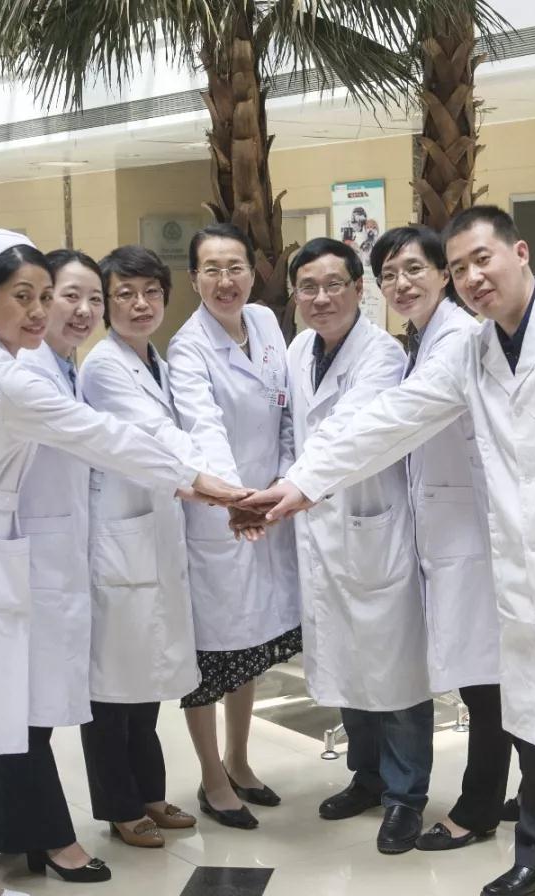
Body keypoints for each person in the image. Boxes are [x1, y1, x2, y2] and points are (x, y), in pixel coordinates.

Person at [240, 206, 535, 896]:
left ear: (520, 253)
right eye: (459, 268)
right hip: (522, 563)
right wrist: (302, 484)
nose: (473, 277)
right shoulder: (474, 352)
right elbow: (393, 419)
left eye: (482, 259)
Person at [0, 229, 245, 896]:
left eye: (46, 296)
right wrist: (199, 481)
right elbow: (101, 435)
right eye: (24, 297)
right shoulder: (5, 376)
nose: (39, 312)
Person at [282, 237, 433, 855]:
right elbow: (294, 429)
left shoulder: (382, 355)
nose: (321, 298)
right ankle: (366, 777)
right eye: (308, 287)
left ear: (358, 290)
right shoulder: (298, 350)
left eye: (333, 285)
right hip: (320, 524)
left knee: (393, 669)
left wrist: (292, 486)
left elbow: (349, 432)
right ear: (294, 295)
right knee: (346, 660)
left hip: (373, 525)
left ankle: (406, 796)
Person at [0, 249, 111, 883]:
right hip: (22, 558)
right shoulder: (26, 373)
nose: (79, 310)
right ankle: (51, 838)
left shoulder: (61, 367)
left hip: (44, 555)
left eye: (91, 298)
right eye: (64, 296)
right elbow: (105, 442)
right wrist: (199, 482)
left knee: (21, 702)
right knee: (26, 706)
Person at [368, 225, 513, 852]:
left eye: (413, 269)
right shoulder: (424, 339)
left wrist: (304, 483)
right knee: (489, 676)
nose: (401, 284)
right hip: (452, 531)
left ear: (442, 276)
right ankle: (513, 794)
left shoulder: (454, 340)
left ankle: (477, 809)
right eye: (388, 275)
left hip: (473, 534)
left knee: (486, 682)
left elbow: (397, 423)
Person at [167, 223, 302, 830]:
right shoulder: (187, 347)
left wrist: (287, 477)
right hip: (221, 517)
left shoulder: (267, 323)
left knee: (250, 645)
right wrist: (237, 500)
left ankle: (240, 761)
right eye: (212, 270)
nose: (226, 281)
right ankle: (212, 778)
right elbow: (204, 430)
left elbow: (286, 411)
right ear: (193, 278)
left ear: (253, 272)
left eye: (236, 267)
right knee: (211, 653)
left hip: (267, 505)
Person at [78, 245, 203, 849]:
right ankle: (120, 806)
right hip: (119, 540)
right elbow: (157, 438)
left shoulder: (158, 361)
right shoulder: (103, 368)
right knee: (113, 689)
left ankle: (150, 792)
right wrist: (222, 487)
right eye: (124, 294)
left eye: (151, 292)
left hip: (152, 535)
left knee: (146, 679)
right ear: (107, 304)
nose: (140, 304)